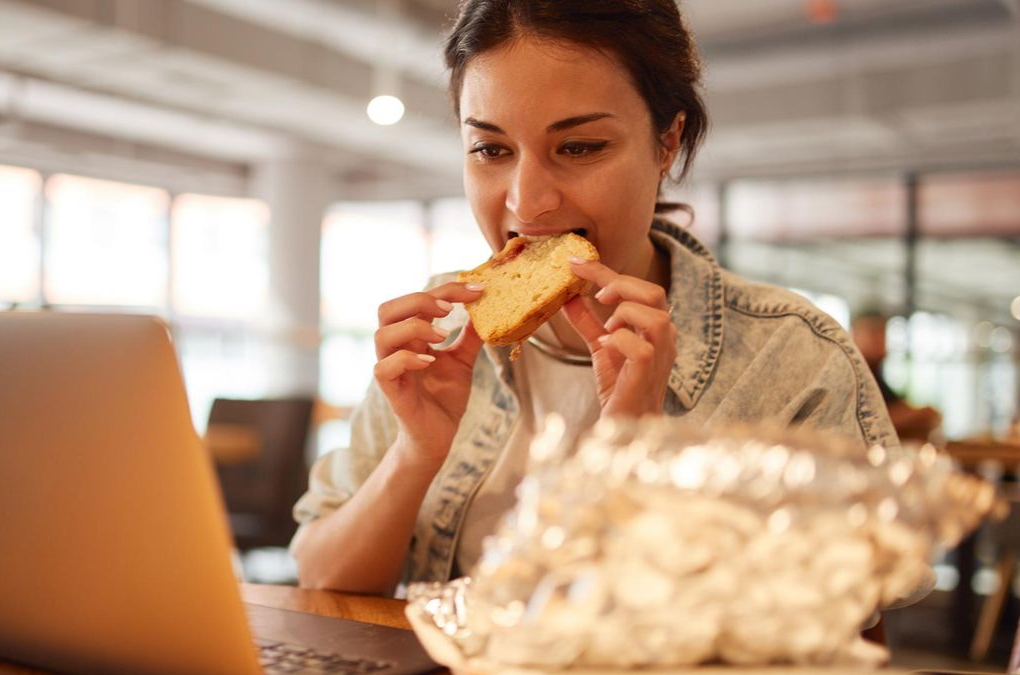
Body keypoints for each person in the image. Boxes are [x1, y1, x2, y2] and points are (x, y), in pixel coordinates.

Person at [290, 0, 899, 595]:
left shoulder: (790, 359)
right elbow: (323, 579)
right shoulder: (437, 330)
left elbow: (836, 616)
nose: (527, 203)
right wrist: (414, 454)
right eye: (491, 150)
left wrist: (633, 453)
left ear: (667, 143)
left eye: (579, 147)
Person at [851, 311, 942, 443]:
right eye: (874, 334)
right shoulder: (850, 375)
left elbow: (893, 405)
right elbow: (861, 424)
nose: (882, 344)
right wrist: (912, 415)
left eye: (883, 335)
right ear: (854, 335)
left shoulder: (874, 375)